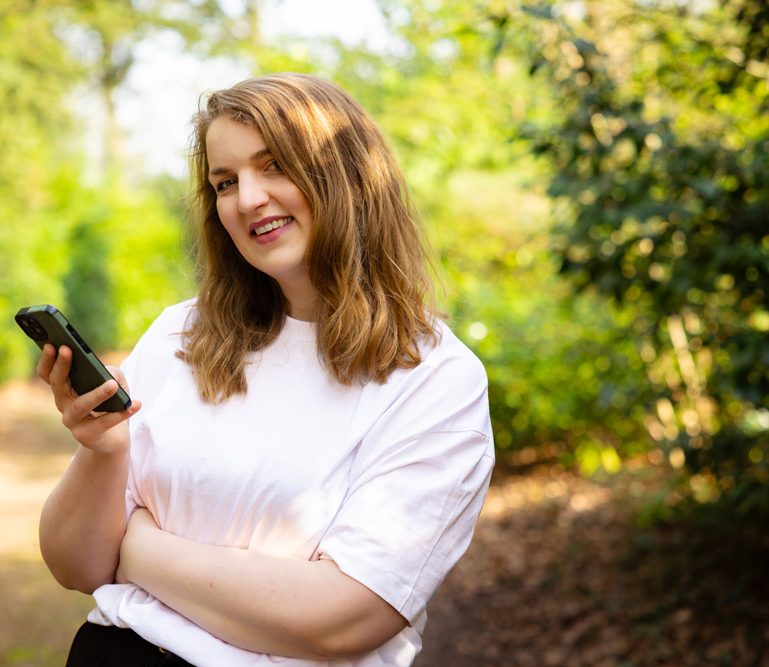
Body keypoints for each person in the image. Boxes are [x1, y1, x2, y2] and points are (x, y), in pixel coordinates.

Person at [36, 72, 494, 667]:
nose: (247, 199)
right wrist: (103, 452)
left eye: (273, 165)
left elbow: (340, 618)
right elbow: (75, 566)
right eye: (225, 182)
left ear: (351, 177)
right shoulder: (182, 333)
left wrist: (138, 547)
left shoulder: (435, 378)